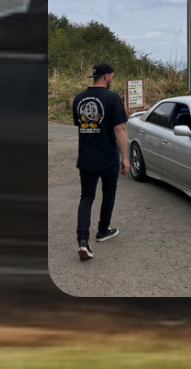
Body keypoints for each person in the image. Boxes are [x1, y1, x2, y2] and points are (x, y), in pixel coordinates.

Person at [72, 62, 128, 261]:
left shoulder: (78, 98)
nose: (112, 78)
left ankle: (83, 242)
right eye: (111, 76)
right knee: (109, 193)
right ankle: (103, 231)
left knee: (86, 197)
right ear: (106, 76)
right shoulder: (112, 98)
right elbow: (120, 129)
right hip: (108, 158)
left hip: (86, 157)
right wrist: (125, 158)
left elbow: (81, 125)